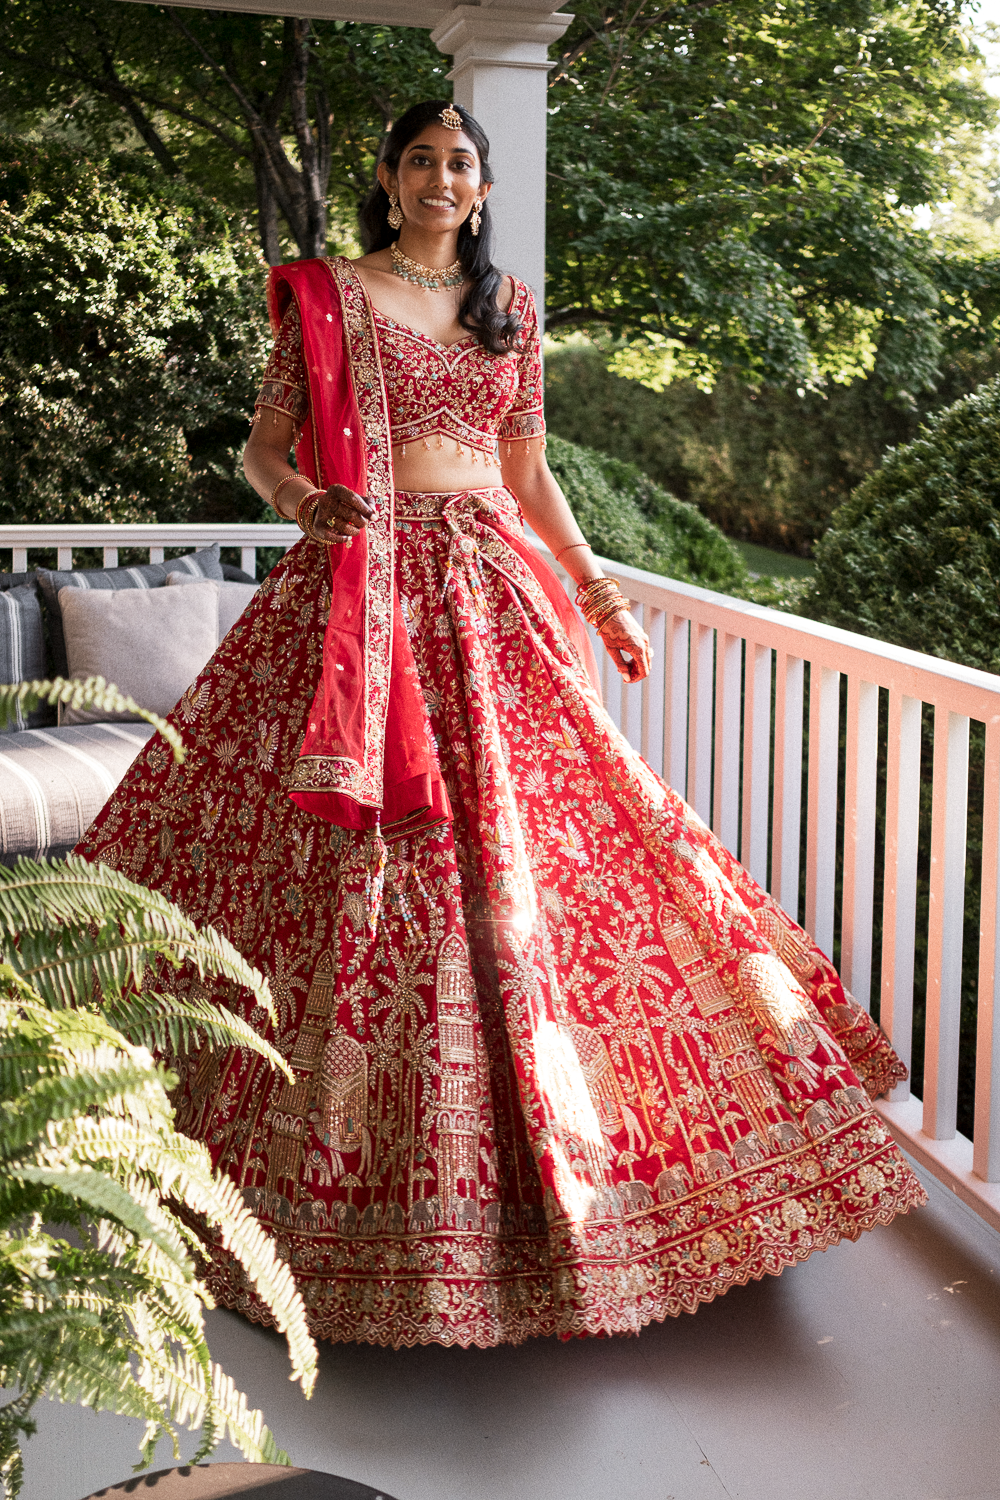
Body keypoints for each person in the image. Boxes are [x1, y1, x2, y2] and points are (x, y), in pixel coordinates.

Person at [78, 100, 925, 1350]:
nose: (437, 177)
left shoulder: (509, 310)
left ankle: (594, 1174)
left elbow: (529, 471)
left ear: (479, 185)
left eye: (458, 162)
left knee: (564, 864)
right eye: (417, 158)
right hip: (357, 588)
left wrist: (596, 586)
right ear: (385, 177)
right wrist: (308, 501)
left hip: (488, 591)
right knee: (351, 871)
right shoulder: (327, 297)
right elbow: (263, 453)